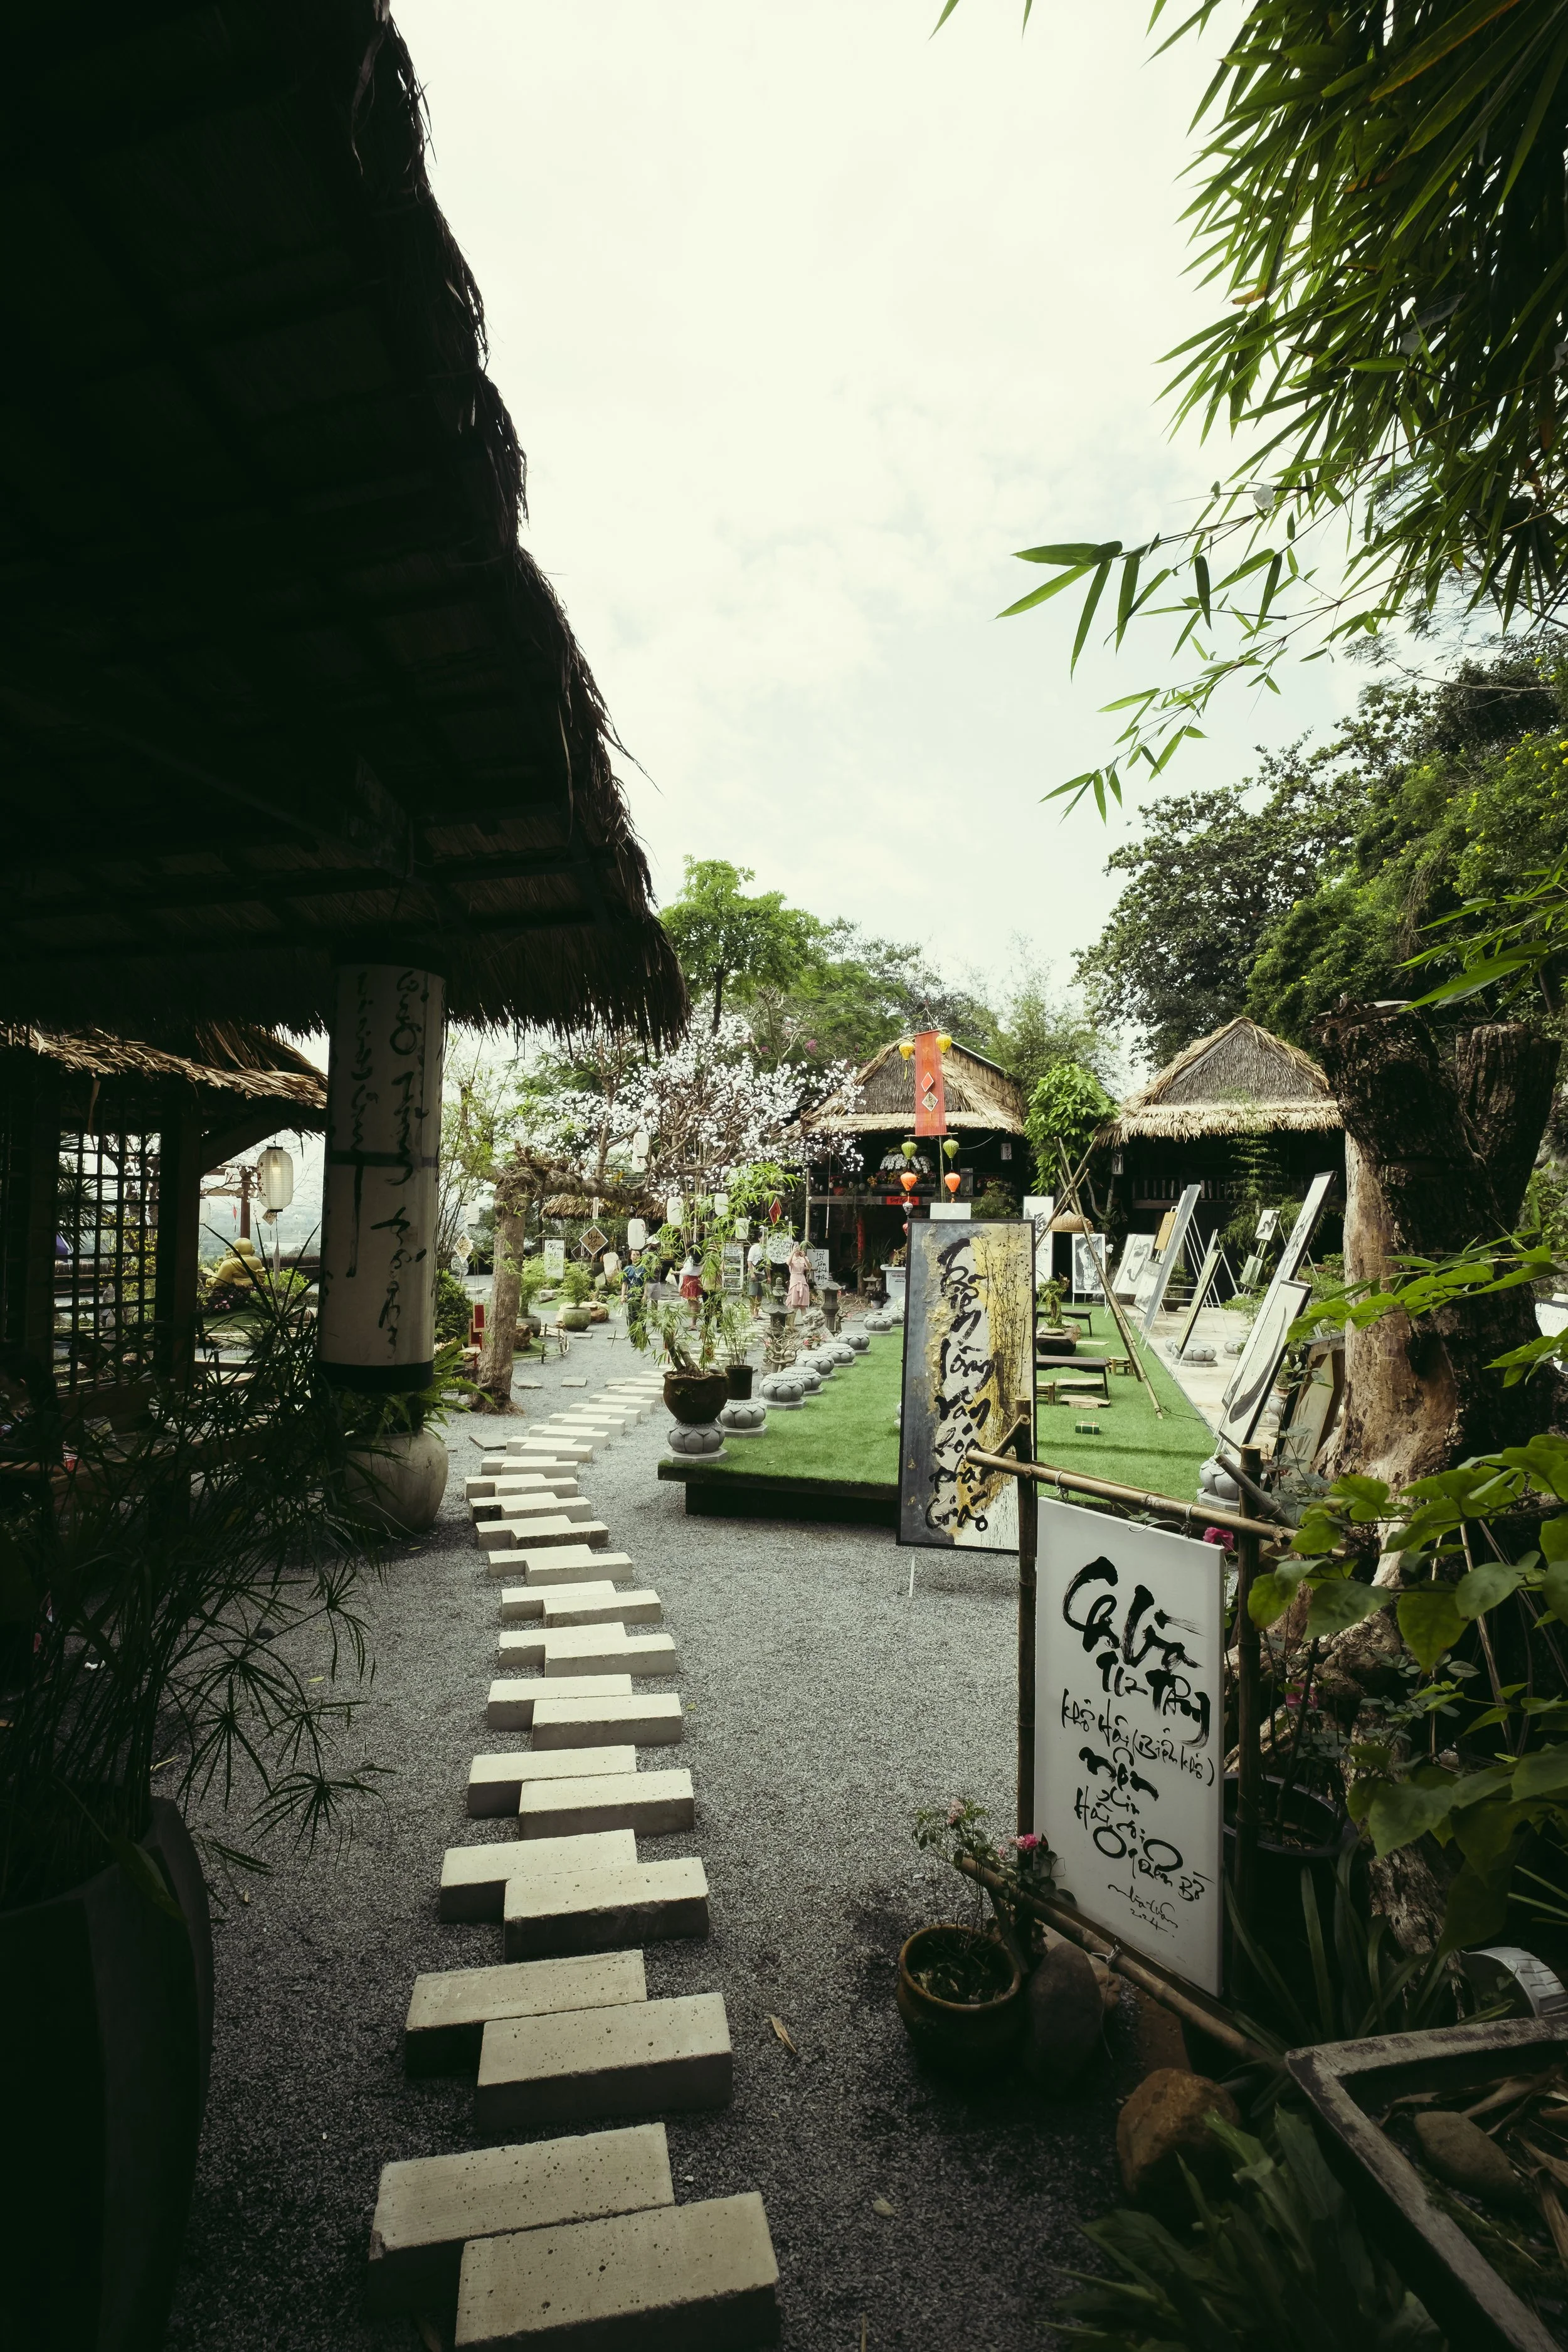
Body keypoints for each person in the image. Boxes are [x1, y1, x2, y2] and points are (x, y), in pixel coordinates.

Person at [786, 1241, 811, 1312]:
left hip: (802, 1277)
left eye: (798, 1247)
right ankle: (791, 1321)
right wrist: (793, 1252)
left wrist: (804, 1258)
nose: (797, 1248)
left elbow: (809, 1267)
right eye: (796, 1247)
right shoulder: (790, 1257)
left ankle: (805, 1321)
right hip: (794, 1277)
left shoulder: (803, 1258)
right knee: (793, 1299)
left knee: (803, 1299)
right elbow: (788, 1263)